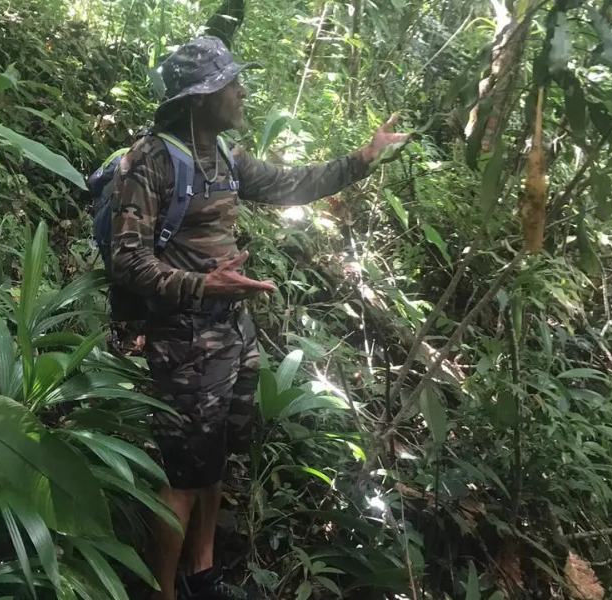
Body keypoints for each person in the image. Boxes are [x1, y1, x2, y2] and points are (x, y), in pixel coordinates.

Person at [110, 36, 408, 600]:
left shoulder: (224, 156)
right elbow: (128, 261)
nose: (240, 91)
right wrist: (204, 284)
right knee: (183, 473)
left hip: (232, 330)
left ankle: (201, 572)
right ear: (200, 98)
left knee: (215, 457)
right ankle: (161, 590)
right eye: (229, 84)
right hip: (184, 339)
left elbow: (292, 183)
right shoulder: (149, 161)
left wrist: (363, 158)